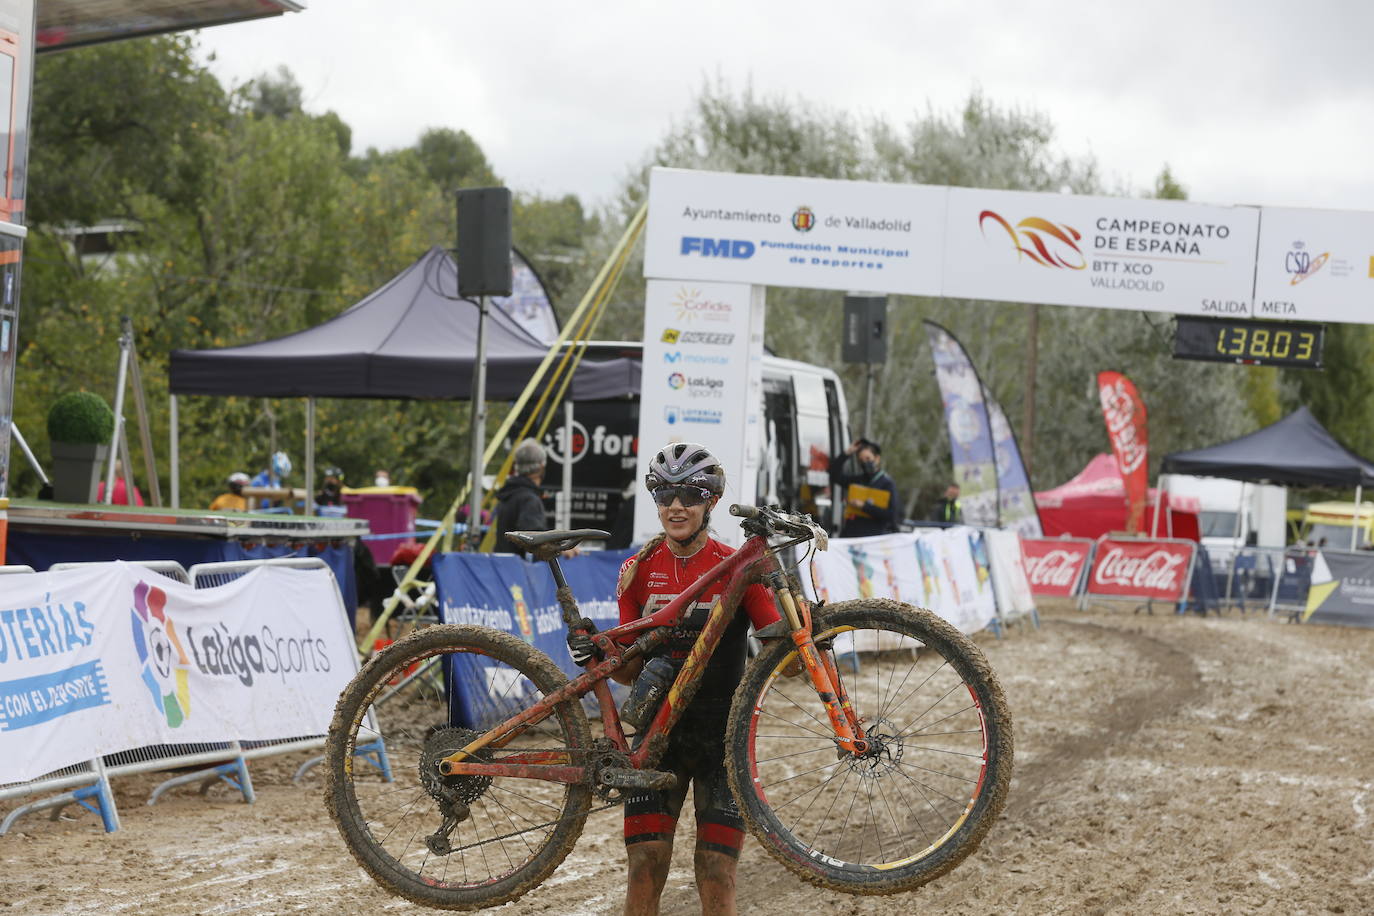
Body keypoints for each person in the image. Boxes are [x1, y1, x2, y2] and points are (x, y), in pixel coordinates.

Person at [607, 442, 781, 916]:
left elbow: (775, 646)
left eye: (689, 494)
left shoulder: (737, 567)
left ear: (711, 502)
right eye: (664, 494)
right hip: (658, 738)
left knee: (716, 872)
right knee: (645, 864)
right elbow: (627, 672)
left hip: (723, 738)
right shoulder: (637, 571)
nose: (675, 506)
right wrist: (596, 654)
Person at [828, 438, 901, 537]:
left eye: (868, 458)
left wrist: (864, 506)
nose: (865, 463)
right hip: (850, 535)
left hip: (871, 539)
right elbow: (834, 475)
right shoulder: (858, 480)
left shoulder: (887, 484)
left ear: (877, 458)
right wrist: (847, 453)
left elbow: (891, 515)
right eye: (861, 460)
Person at [493, 439, 549, 558]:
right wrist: (561, 549)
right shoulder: (529, 500)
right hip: (521, 573)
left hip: (502, 569)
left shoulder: (508, 494)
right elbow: (535, 542)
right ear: (541, 466)